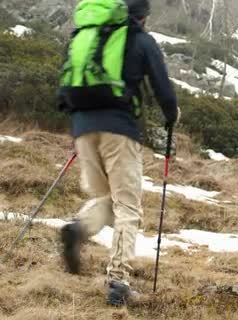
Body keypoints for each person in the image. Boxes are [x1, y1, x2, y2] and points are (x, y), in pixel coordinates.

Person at [59, 0, 179, 306]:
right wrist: (171, 115)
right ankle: (118, 280)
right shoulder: (141, 40)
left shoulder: (86, 36)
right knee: (127, 206)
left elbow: (64, 86)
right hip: (119, 130)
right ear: (143, 17)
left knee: (106, 198)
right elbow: (163, 89)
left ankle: (79, 229)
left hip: (82, 127)